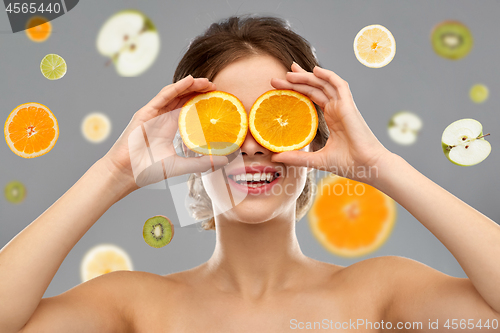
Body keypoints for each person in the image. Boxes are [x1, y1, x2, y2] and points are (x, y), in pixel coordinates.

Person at [1, 15, 499, 333]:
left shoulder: (378, 295)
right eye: (224, 121)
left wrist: (381, 166)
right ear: (187, 139)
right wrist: (115, 172)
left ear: (316, 136)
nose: (253, 143)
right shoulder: (134, 305)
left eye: (275, 117)